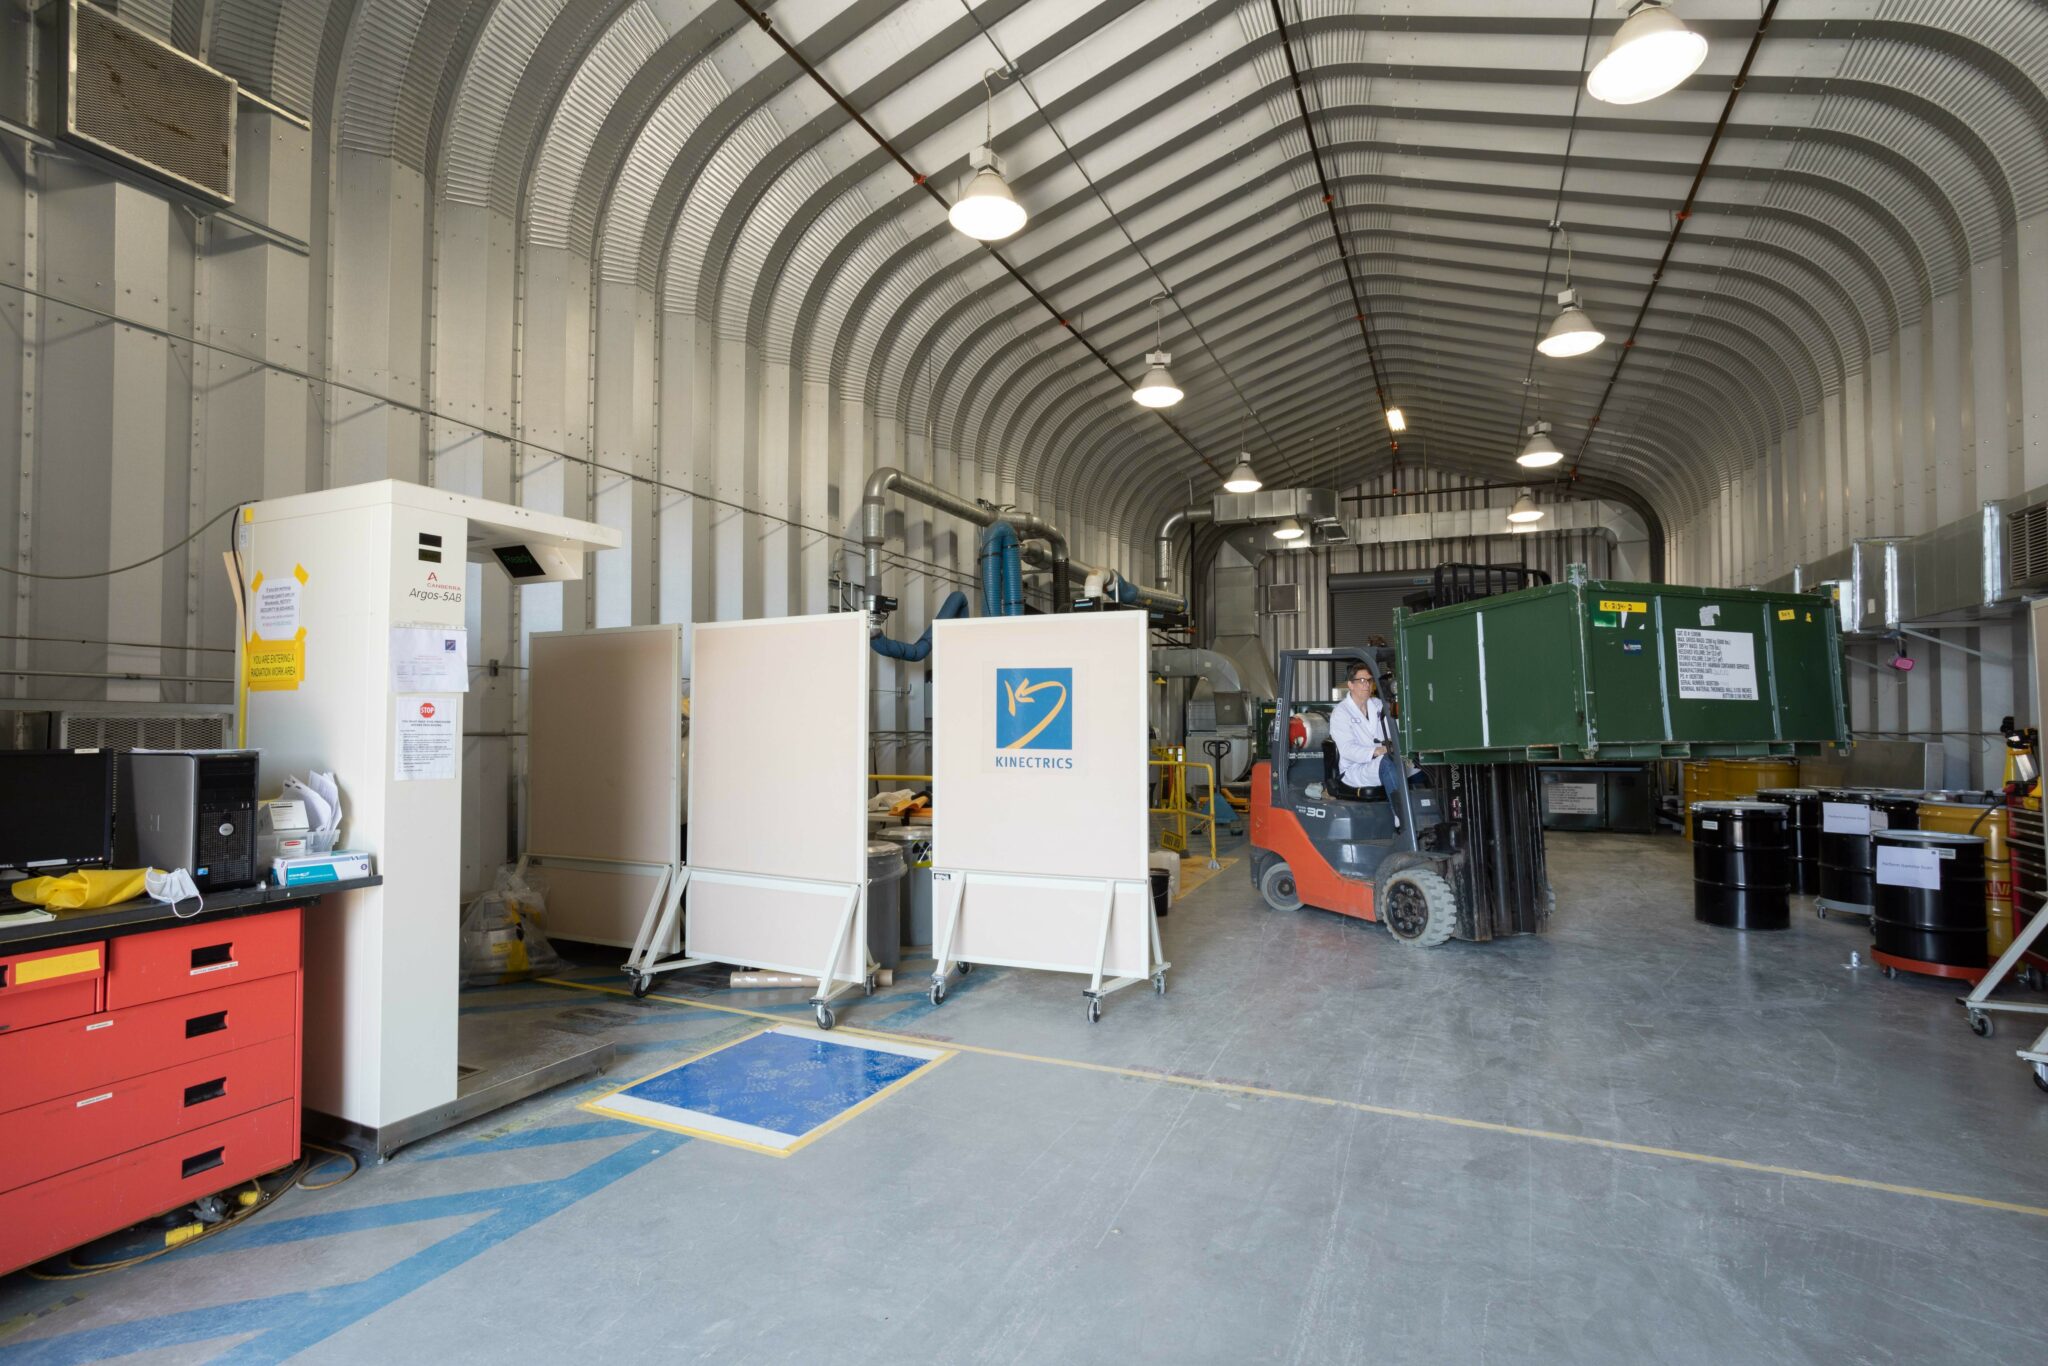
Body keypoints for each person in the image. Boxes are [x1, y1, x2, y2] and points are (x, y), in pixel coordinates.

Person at [1330, 660, 1408, 822]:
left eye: (1369, 681)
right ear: (1350, 685)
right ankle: (1402, 820)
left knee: (1418, 764)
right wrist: (1376, 751)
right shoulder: (1341, 713)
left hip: (1382, 760)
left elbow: (1394, 728)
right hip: (1355, 769)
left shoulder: (1378, 705)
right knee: (1388, 762)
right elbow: (1347, 749)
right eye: (1362, 681)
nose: (1367, 685)